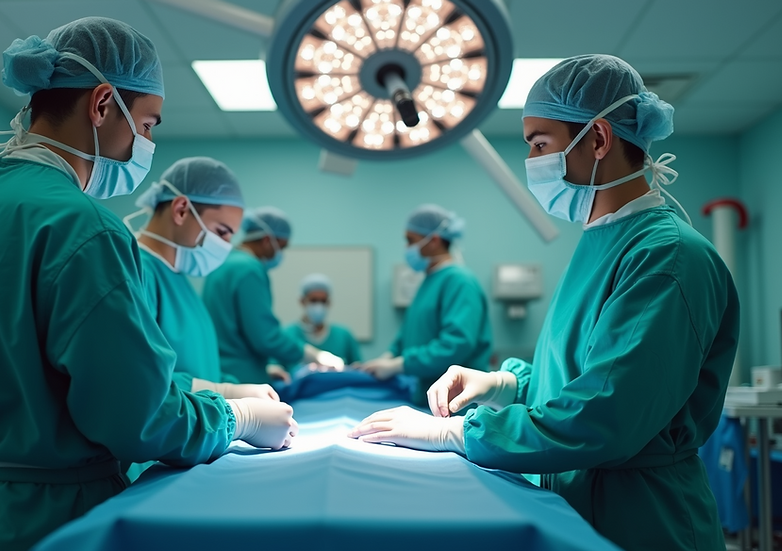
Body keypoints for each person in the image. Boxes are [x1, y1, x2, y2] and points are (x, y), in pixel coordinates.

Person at [0, 18, 296, 551]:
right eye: (148, 125)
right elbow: (138, 418)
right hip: (52, 522)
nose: (148, 143)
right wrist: (237, 417)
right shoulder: (83, 226)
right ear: (102, 104)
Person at [349, 54, 739, 551]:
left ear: (598, 139)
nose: (532, 161)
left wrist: (459, 434)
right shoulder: (602, 243)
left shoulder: (667, 258)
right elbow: (579, 378)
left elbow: (609, 413)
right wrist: (505, 384)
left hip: (644, 519)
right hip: (581, 499)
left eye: (539, 144)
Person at [123, 157, 286, 481]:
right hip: (155, 459)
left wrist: (235, 387)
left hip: (197, 444)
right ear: (181, 210)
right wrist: (227, 393)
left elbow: (196, 362)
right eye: (221, 232)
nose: (226, 247)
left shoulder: (178, 278)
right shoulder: (136, 272)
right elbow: (137, 383)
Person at [354, 204, 492, 405]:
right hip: (427, 398)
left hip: (457, 403)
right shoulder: (429, 281)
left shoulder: (460, 282)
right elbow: (410, 333)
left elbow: (455, 345)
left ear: (434, 240)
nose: (407, 248)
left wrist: (399, 365)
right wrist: (389, 356)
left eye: (410, 240)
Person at [202, 207, 344, 384]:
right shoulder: (249, 270)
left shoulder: (224, 263)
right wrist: (314, 355)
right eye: (281, 247)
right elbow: (266, 337)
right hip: (241, 377)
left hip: (218, 371)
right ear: (267, 240)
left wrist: (265, 368)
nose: (280, 254)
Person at [281, 273, 362, 369]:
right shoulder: (287, 334)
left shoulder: (344, 335)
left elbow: (357, 367)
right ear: (302, 301)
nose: (318, 306)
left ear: (329, 302)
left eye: (323, 301)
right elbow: (275, 366)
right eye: (313, 300)